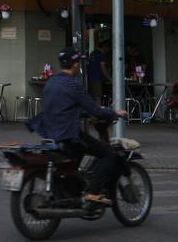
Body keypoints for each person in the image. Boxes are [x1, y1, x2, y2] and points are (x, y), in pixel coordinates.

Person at [31, 47, 126, 206]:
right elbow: (95, 110)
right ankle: (94, 192)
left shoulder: (51, 82)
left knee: (81, 153)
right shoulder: (73, 84)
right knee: (107, 154)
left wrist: (84, 115)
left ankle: (77, 187)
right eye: (78, 63)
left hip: (50, 134)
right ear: (75, 65)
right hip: (68, 134)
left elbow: (63, 108)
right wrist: (115, 113)